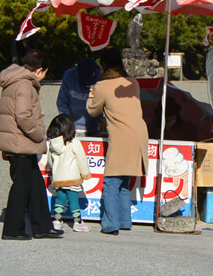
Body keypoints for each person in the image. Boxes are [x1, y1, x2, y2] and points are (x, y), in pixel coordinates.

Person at [0, 49, 63, 240]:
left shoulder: (14, 81)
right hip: (21, 142)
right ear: (40, 70)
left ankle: (41, 226)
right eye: (45, 73)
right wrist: (39, 134)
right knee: (22, 186)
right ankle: (12, 229)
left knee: (35, 184)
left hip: (17, 141)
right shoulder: (25, 85)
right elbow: (23, 116)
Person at [87, 48, 149, 236]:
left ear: (103, 65)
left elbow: (92, 110)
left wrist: (91, 93)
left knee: (112, 182)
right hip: (139, 134)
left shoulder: (102, 86)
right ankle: (124, 221)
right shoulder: (133, 83)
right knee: (124, 181)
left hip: (121, 136)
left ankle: (111, 224)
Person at [46, 114, 92, 232]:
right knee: (74, 201)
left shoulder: (52, 144)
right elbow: (81, 159)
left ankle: (57, 221)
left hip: (58, 178)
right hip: (72, 178)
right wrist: (85, 173)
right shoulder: (74, 142)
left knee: (60, 199)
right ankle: (77, 223)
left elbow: (50, 162)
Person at [57, 58, 103, 136]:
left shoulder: (101, 79)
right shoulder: (69, 75)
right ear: (77, 73)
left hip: (95, 128)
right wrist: (67, 122)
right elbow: (62, 102)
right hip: (73, 127)